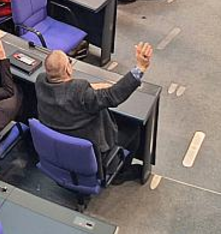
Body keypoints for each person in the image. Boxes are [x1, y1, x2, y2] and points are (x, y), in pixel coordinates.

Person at [36, 42, 153, 172]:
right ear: (68, 69)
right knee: (133, 128)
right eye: (69, 62)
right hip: (92, 155)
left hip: (59, 149)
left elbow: (65, 89)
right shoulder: (83, 96)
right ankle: (120, 172)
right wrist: (141, 67)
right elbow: (113, 95)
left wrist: (92, 87)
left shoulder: (40, 82)